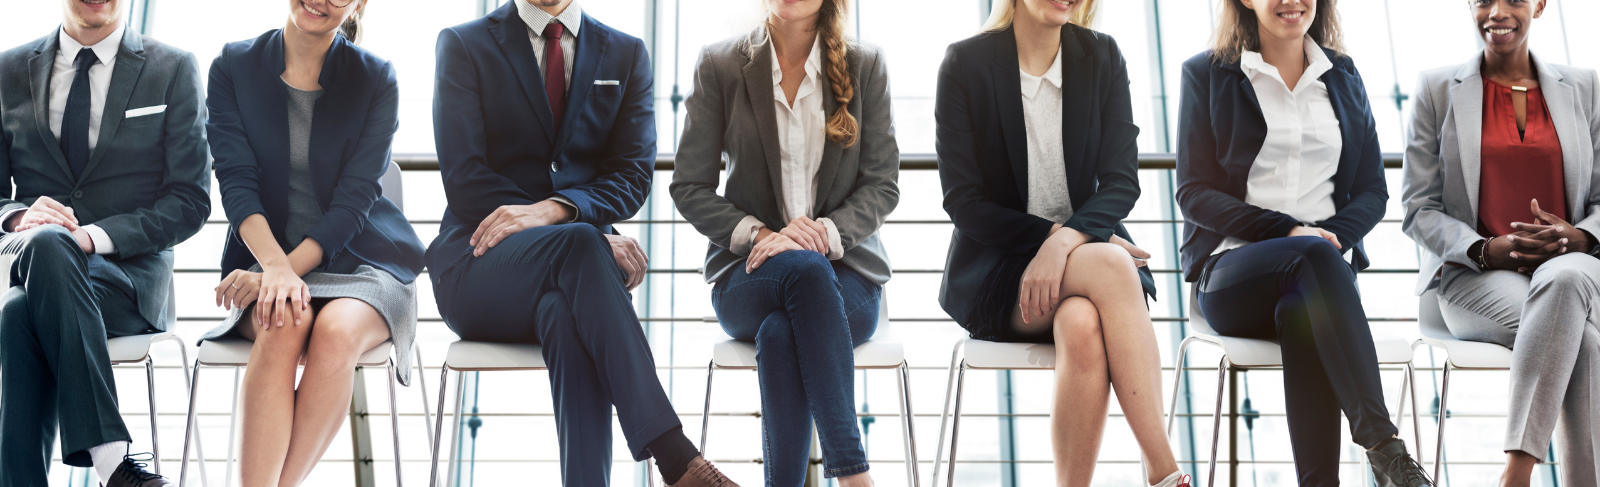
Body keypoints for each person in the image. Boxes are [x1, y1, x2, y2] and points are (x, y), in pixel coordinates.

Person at [428, 0, 736, 485]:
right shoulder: (465, 44)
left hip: (574, 276)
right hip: (477, 266)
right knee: (580, 253)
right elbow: (464, 178)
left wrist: (557, 212)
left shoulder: (627, 54)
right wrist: (578, 233)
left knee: (567, 312)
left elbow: (633, 176)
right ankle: (676, 457)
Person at [1175, 0, 1432, 486]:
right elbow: (1193, 193)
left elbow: (1373, 190)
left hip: (1318, 277)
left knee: (1303, 305)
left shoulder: (1343, 74)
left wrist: (1328, 239)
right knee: (1307, 263)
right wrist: (1290, 232)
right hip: (1231, 275)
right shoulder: (1207, 74)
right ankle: (1384, 449)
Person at [933, 1, 1188, 486]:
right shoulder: (965, 63)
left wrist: (1067, 241)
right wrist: (1054, 239)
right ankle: (1165, 471)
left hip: (1085, 267)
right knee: (1113, 267)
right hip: (1000, 270)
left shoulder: (1102, 56)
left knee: (1081, 321)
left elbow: (1121, 181)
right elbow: (964, 203)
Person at [199, 0, 427, 485]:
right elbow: (236, 184)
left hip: (365, 262)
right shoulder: (232, 66)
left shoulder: (376, 78)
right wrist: (272, 267)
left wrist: (278, 273)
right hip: (267, 257)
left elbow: (353, 206)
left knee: (336, 332)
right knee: (283, 318)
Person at [670, 0, 896, 484]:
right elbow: (689, 186)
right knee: (805, 274)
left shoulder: (865, 65)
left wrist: (824, 234)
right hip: (750, 275)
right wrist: (763, 234)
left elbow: (883, 184)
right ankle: (854, 474)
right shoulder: (722, 64)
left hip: (848, 274)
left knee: (780, 332)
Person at [0, 0, 209, 484]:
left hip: (127, 281)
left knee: (17, 311)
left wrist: (93, 239)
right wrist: (16, 218)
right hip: (37, 261)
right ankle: (113, 462)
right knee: (46, 249)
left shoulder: (173, 68)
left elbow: (190, 201)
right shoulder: (8, 70)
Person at [1402, 0, 1600, 485]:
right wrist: (1485, 250)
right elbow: (1418, 209)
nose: (1496, 12)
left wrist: (1577, 236)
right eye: (1482, 0)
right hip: (1476, 277)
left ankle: (1515, 473)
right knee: (1584, 342)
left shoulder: (1586, 88)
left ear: (1539, 5)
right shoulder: (1436, 90)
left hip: (1570, 265)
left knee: (1568, 276)